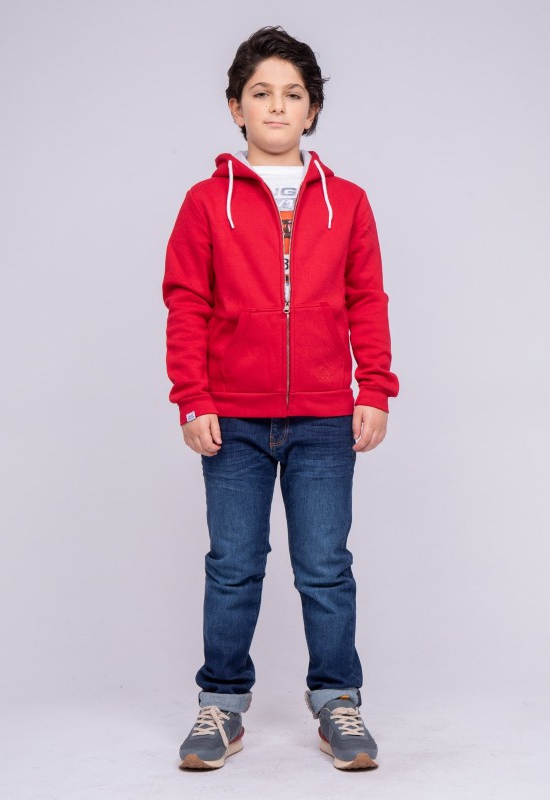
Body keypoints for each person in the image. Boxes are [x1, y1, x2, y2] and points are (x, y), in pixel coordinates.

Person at [162, 25, 400, 771]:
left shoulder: (348, 202)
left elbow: (367, 299)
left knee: (325, 565)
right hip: (232, 417)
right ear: (236, 107)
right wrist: (192, 397)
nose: (276, 105)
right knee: (233, 564)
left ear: (312, 109)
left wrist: (375, 387)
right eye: (260, 93)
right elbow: (186, 303)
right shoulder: (207, 203)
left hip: (325, 418)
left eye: (292, 94)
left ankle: (338, 702)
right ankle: (221, 706)